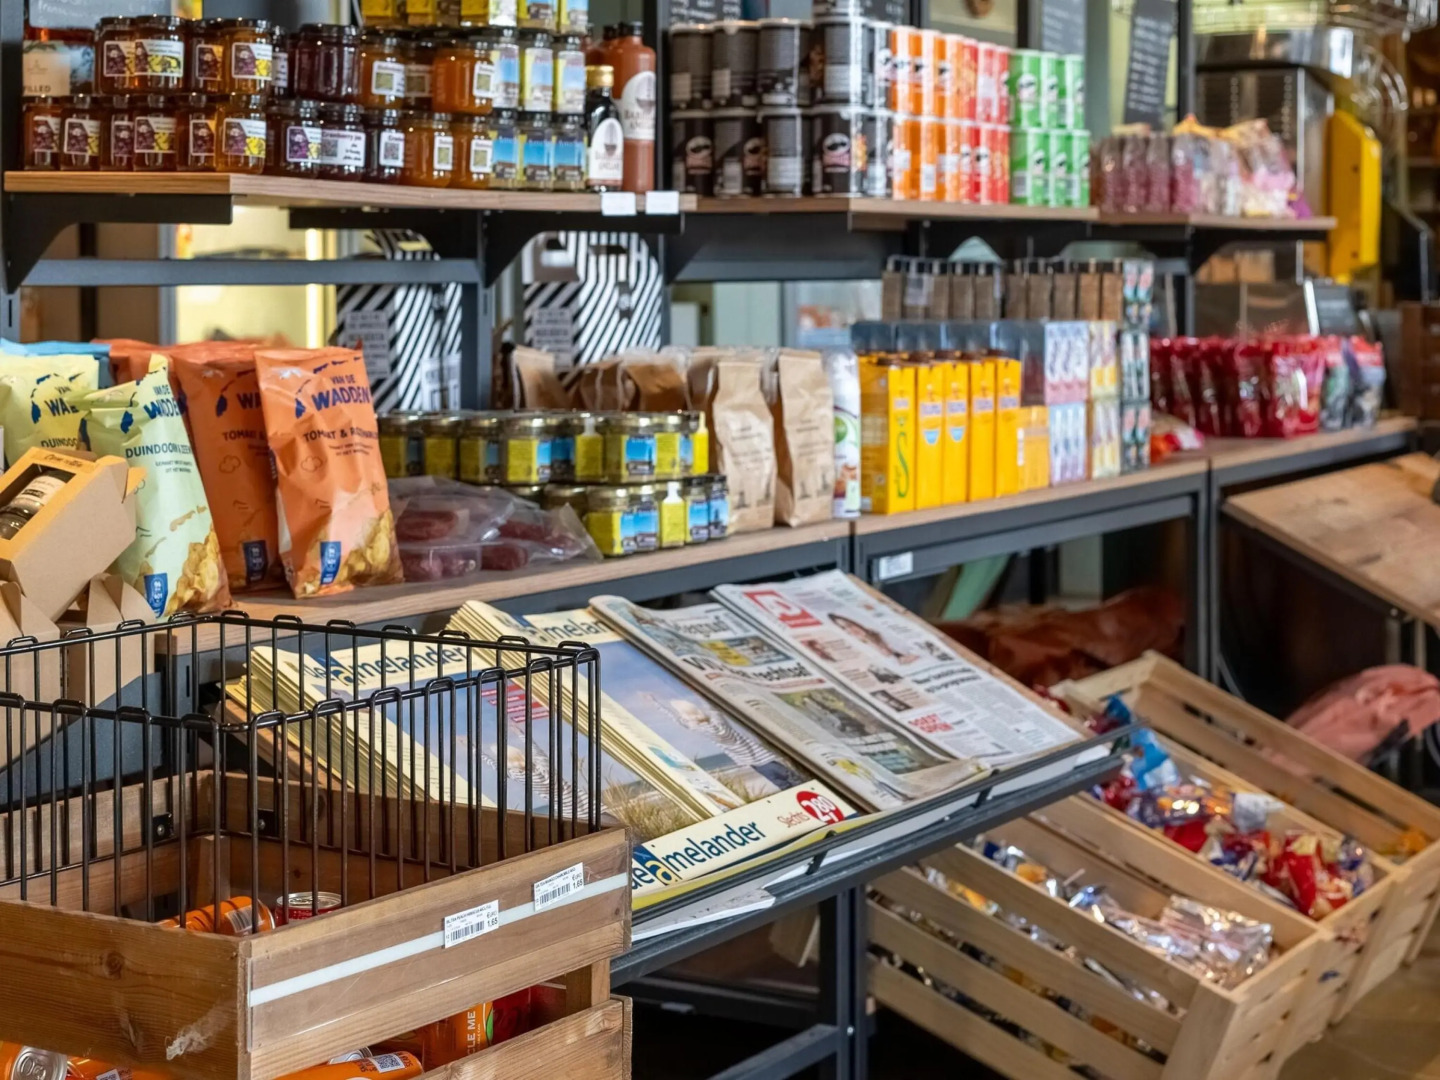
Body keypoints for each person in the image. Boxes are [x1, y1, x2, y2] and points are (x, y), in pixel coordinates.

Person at [828, 612, 919, 664]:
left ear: (856, 623)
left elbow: (911, 648)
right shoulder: (861, 647)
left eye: (850, 625)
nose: (851, 630)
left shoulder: (878, 633)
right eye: (844, 628)